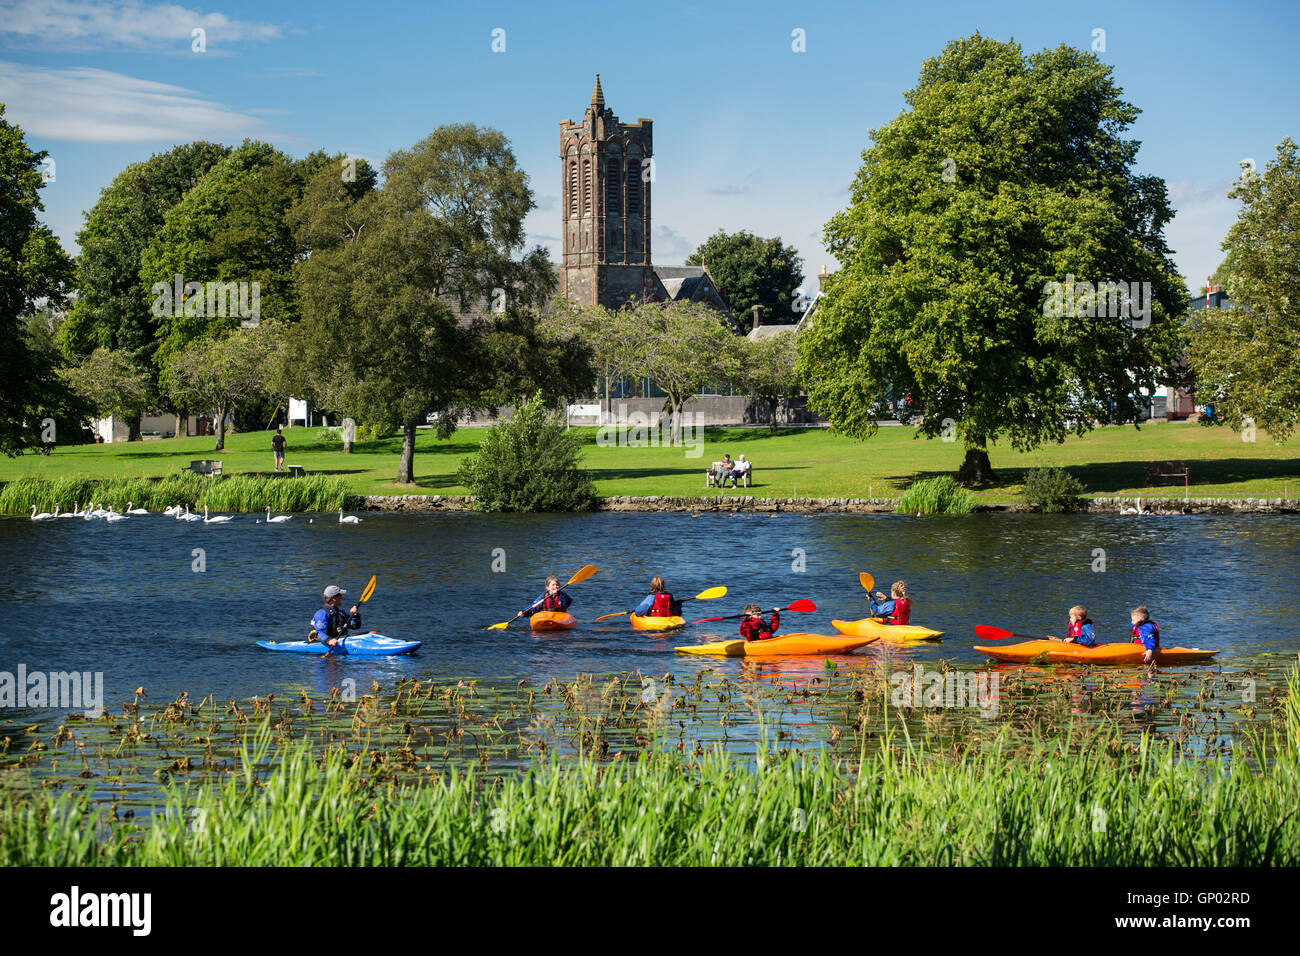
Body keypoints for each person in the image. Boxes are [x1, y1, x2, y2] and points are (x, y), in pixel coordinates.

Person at [310, 584, 361, 649]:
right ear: (334, 598)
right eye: (340, 595)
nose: (342, 597)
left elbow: (355, 626)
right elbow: (319, 633)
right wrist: (328, 640)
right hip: (326, 644)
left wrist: (355, 615)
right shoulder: (322, 613)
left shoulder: (340, 613)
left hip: (339, 641)